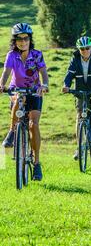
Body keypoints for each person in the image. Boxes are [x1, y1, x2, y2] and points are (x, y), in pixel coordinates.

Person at [0, 23, 49, 181]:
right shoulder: (11, 55)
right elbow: (6, 73)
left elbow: (43, 73)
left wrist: (44, 85)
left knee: (33, 125)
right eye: (19, 39)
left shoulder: (37, 54)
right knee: (18, 100)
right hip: (17, 90)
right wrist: (1, 85)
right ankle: (12, 132)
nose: (23, 41)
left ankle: (36, 164)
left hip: (34, 91)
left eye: (25, 38)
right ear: (15, 41)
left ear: (30, 39)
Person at [62, 36, 91, 160]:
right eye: (82, 49)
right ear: (79, 49)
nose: (85, 51)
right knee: (79, 116)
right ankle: (79, 147)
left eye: (87, 48)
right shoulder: (75, 59)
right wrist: (66, 85)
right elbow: (69, 75)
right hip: (81, 90)